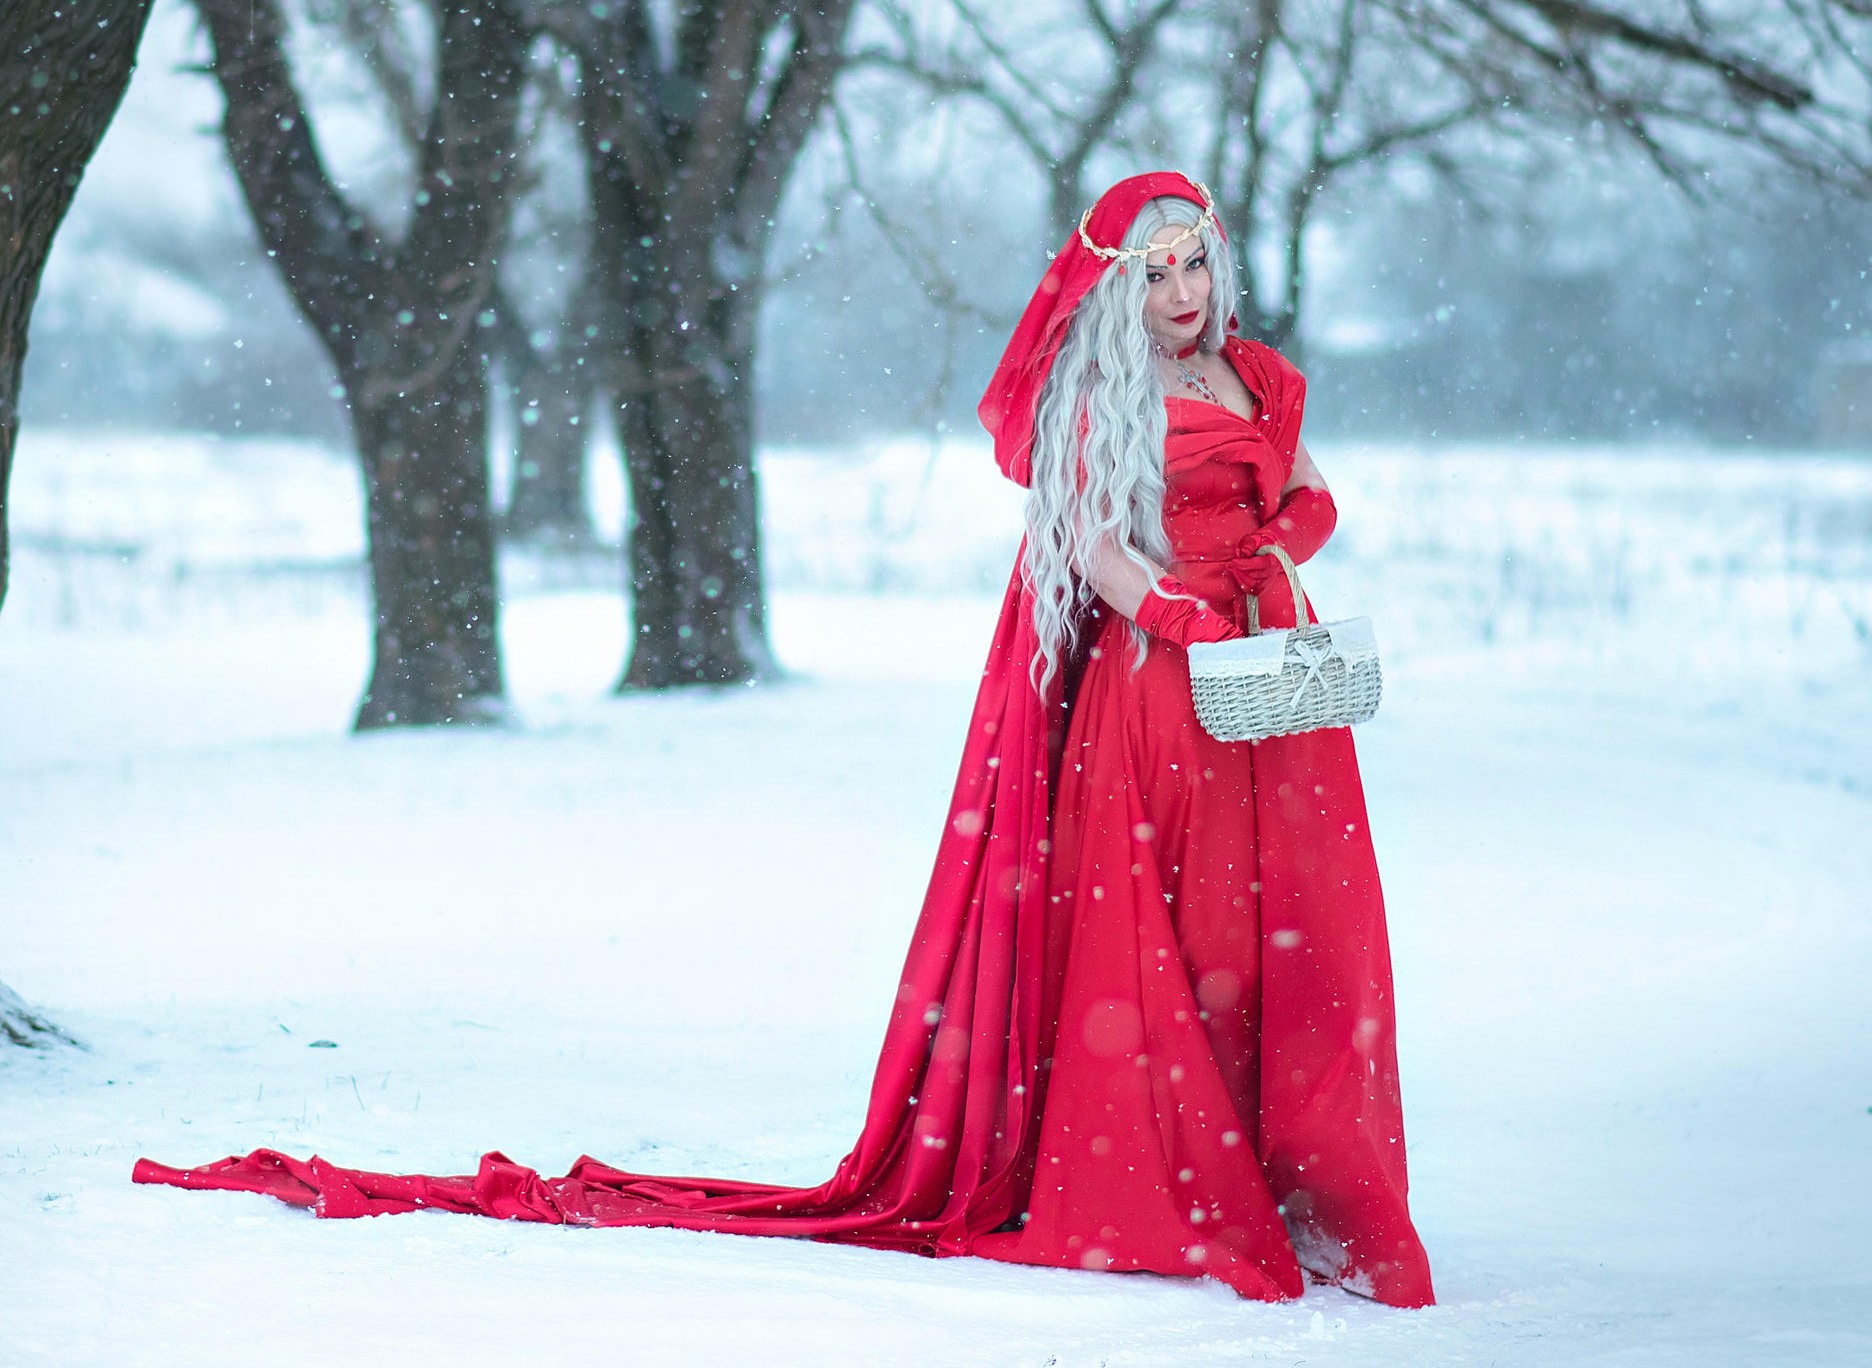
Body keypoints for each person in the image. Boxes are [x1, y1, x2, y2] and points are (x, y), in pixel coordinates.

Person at [134, 171, 1436, 1308]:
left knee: (1277, 932)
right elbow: (1086, 542)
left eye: (1194, 260)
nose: (1180, 291)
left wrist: (1277, 551)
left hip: (1276, 686)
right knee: (1176, 935)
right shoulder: (1106, 396)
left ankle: (1284, 1174)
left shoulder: (1250, 374)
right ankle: (1178, 1180)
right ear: (1117, 289)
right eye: (1154, 273)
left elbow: (1311, 487)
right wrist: (1170, 606)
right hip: (1162, 686)